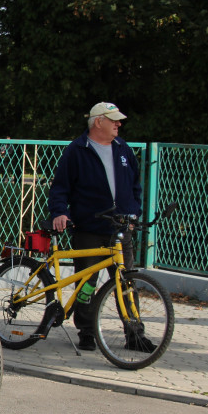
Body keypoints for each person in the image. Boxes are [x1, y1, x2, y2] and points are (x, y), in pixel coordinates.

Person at [47, 101, 153, 352]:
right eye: (113, 119)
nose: (119, 124)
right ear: (98, 122)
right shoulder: (77, 150)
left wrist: (134, 210)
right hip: (89, 227)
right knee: (88, 283)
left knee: (126, 281)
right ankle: (86, 332)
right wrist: (59, 212)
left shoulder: (123, 148)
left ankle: (134, 334)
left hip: (120, 227)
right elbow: (60, 186)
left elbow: (135, 184)